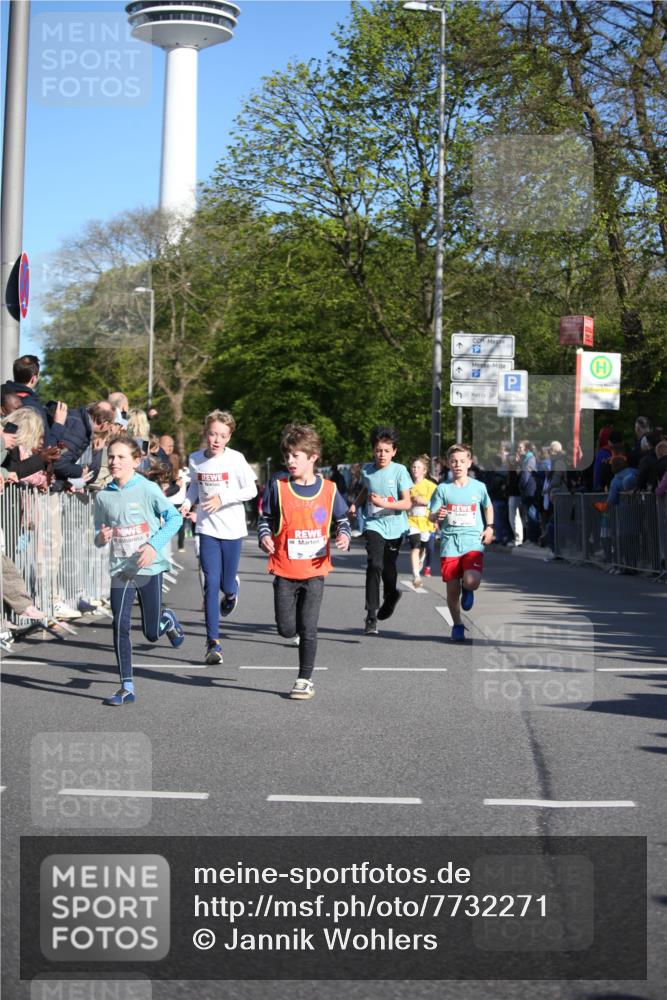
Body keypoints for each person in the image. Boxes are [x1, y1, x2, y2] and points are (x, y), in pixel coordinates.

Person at [258, 423, 350, 699]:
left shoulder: (330, 490)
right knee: (287, 629)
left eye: (295, 455)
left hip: (314, 571)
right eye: (287, 455)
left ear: (312, 457)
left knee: (309, 628)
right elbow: (266, 519)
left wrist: (343, 535)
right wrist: (265, 537)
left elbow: (342, 520)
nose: (289, 461)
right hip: (285, 570)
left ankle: (304, 679)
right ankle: (293, 625)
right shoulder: (279, 486)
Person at [93, 434, 184, 706]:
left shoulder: (147, 489)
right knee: (119, 624)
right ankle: (126, 687)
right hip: (121, 570)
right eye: (111, 457)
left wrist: (154, 546)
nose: (114, 461)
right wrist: (102, 537)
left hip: (148, 567)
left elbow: (174, 518)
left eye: (121, 457)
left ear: (136, 460)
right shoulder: (103, 496)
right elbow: (98, 535)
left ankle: (166, 620)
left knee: (151, 632)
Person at [180, 410, 257, 665]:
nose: (216, 440)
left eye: (222, 436)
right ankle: (213, 642)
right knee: (210, 584)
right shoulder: (195, 459)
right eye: (212, 434)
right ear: (206, 432)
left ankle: (232, 592)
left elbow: (251, 490)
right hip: (207, 528)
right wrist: (187, 503)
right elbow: (194, 485)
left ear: (229, 437)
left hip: (232, 529)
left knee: (224, 585)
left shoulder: (236, 459)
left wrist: (222, 498)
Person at [349, 426, 412, 636]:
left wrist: (385, 503)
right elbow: (366, 489)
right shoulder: (367, 470)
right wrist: (355, 505)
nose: (381, 454)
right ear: (373, 451)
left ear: (394, 451)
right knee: (374, 564)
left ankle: (392, 595)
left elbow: (406, 503)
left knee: (388, 569)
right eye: (378, 450)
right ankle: (371, 616)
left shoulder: (400, 471)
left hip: (394, 526)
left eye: (386, 450)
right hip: (374, 524)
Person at [429, 443, 494, 642]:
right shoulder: (443, 489)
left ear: (469, 463)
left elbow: (488, 506)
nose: (458, 465)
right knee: (451, 590)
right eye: (454, 461)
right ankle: (457, 624)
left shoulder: (479, 487)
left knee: (472, 581)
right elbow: (431, 516)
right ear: (449, 464)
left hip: (473, 541)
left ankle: (468, 587)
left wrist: (490, 527)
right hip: (450, 543)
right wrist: (437, 515)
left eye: (462, 461)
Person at [407, 454, 437, 588]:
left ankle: (420, 560)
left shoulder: (431, 486)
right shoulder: (406, 485)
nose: (415, 469)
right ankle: (416, 575)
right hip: (411, 521)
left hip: (426, 522)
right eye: (413, 467)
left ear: (424, 470)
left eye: (418, 467)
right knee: (415, 545)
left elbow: (437, 504)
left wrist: (423, 502)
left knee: (423, 548)